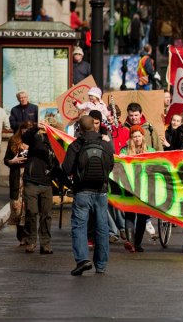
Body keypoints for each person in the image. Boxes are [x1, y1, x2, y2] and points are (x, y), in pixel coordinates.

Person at [62, 115, 115, 276]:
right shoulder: (105, 144)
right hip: (101, 191)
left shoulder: (76, 145)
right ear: (94, 126)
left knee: (79, 226)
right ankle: (101, 264)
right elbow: (110, 166)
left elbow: (66, 168)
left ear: (79, 128)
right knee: (102, 227)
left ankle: (83, 260)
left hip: (82, 191)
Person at [119, 126, 156, 252]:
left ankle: (137, 243)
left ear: (143, 137)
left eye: (139, 136)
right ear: (131, 138)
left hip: (144, 188)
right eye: (134, 136)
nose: (137, 139)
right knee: (129, 214)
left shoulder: (150, 150)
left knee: (142, 216)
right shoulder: (125, 151)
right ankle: (131, 243)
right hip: (129, 187)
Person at [21, 125, 55, 255]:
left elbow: (57, 165)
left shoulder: (55, 143)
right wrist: (36, 127)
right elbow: (25, 137)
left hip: (47, 183)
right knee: (31, 212)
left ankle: (45, 244)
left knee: (46, 215)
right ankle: (31, 241)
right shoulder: (36, 138)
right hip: (32, 182)